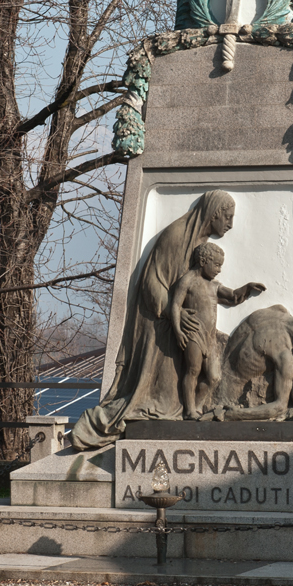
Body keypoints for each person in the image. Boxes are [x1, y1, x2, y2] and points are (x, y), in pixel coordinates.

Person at [70, 190, 239, 449]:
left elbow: (217, 290)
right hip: (163, 327)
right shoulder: (176, 236)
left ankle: (192, 408)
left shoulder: (203, 245)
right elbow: (152, 282)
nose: (230, 224)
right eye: (227, 217)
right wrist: (176, 314)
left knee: (205, 376)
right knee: (165, 394)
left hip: (194, 332)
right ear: (214, 213)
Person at [168, 242, 265, 419]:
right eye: (217, 264)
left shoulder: (214, 286)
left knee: (214, 376)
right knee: (193, 370)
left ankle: (197, 405)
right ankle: (189, 410)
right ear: (204, 261)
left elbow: (234, 296)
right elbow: (175, 305)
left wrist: (248, 287)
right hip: (193, 333)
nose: (219, 269)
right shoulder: (187, 281)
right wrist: (178, 331)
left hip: (209, 337)